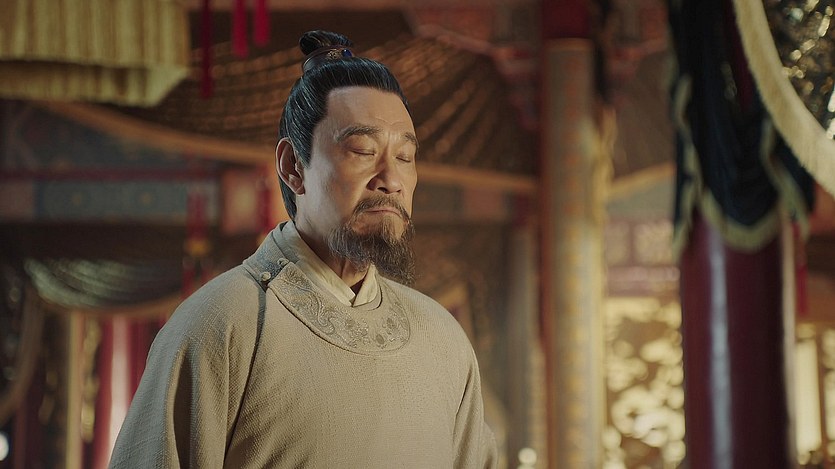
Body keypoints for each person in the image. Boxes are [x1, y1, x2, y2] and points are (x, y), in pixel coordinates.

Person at [108, 30, 497, 468]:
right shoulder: (221, 323)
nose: (391, 179)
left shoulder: (441, 339)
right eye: (363, 150)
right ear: (293, 166)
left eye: (405, 157)